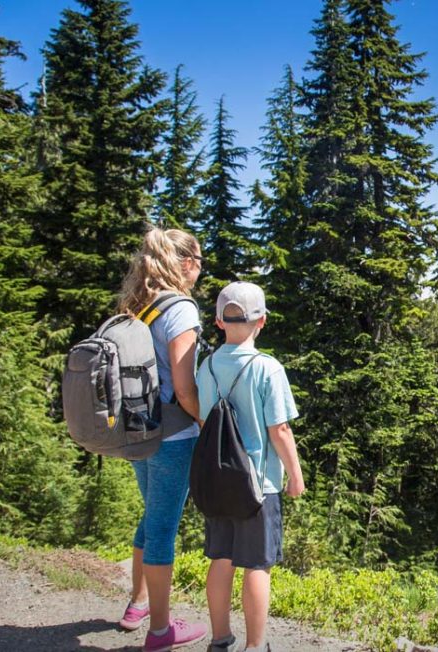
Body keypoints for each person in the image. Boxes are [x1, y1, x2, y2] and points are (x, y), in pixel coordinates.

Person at [196, 281, 305, 652]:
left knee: (221, 559)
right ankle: (255, 646)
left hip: (216, 482)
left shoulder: (206, 367)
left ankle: (219, 639)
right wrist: (295, 473)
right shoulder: (268, 368)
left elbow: (203, 421)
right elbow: (281, 429)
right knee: (257, 565)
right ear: (262, 321)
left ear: (218, 321)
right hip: (258, 484)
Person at [116, 227, 208, 651]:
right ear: (185, 263)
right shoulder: (182, 309)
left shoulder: (138, 302)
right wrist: (205, 422)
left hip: (138, 429)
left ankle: (137, 604)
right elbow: (185, 387)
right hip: (173, 434)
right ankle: (159, 630)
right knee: (162, 529)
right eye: (200, 262)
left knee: (151, 515)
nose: (201, 270)